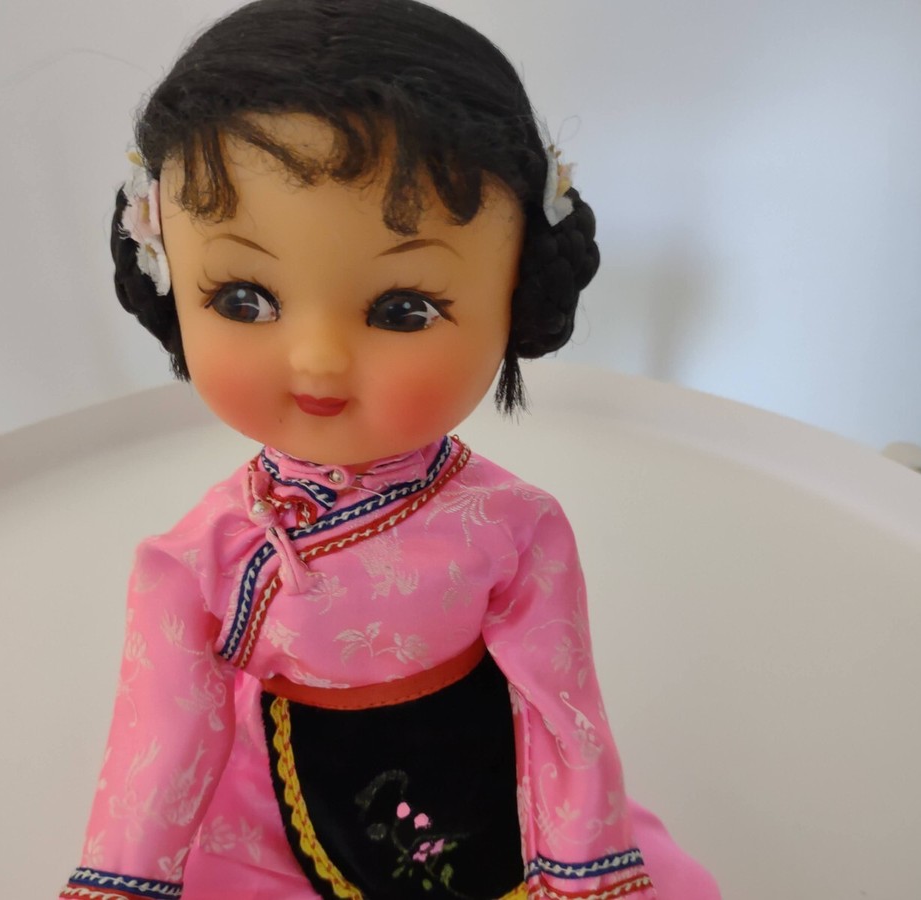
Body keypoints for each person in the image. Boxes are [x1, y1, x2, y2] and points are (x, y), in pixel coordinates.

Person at [62, 1, 720, 897]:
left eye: (403, 309)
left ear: (517, 299)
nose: (318, 359)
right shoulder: (198, 560)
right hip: (279, 804)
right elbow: (161, 741)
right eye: (244, 299)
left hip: (491, 778)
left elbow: (561, 711)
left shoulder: (516, 527)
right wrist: (124, 881)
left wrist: (580, 866)